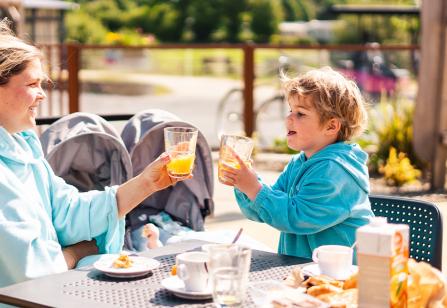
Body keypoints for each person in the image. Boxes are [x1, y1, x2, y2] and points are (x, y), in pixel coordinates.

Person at [0, 19, 189, 287]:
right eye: (32, 84)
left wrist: (147, 182)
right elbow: (31, 269)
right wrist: (77, 253)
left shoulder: (22, 147)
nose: (42, 94)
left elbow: (66, 210)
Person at [220, 67, 374, 260]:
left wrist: (254, 188)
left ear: (331, 126)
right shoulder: (299, 163)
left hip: (340, 277)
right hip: (303, 271)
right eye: (291, 110)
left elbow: (297, 218)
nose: (289, 118)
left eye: (300, 113)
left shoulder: (335, 170)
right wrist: (243, 184)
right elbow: (264, 211)